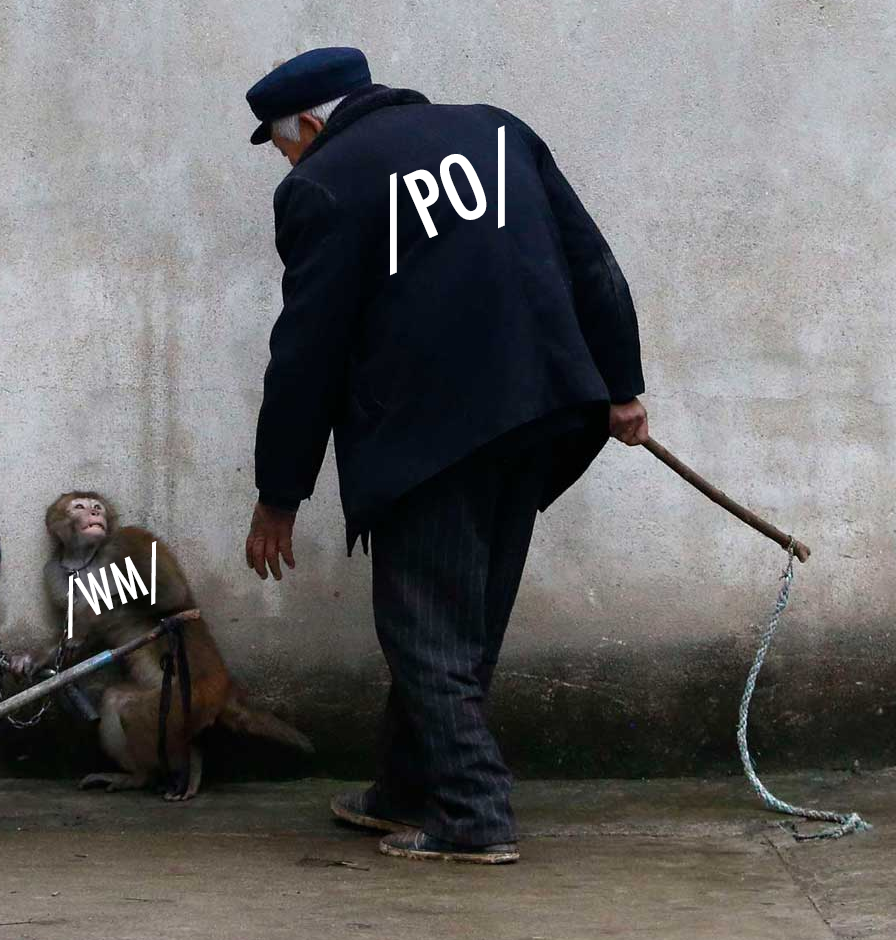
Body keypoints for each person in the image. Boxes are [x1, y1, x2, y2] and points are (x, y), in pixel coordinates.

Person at [240, 47, 649, 863]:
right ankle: (406, 788)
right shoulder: (497, 131)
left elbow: (307, 352)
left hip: (428, 434)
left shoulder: (321, 183)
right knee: (453, 625)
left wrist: (279, 492)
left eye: (281, 145)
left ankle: (472, 815)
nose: (285, 163)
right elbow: (589, 260)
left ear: (310, 124)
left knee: (427, 634)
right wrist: (620, 386)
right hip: (541, 413)